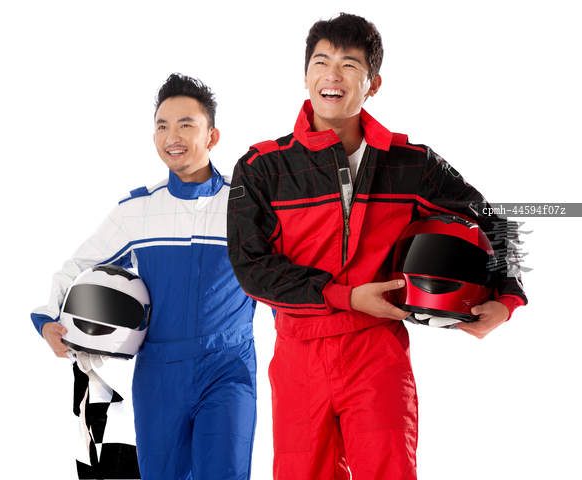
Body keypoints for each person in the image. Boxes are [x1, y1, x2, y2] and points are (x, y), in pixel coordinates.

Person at [226, 13, 527, 480]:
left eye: (349, 64)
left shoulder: (409, 163)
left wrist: (507, 297)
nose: (332, 75)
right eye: (321, 62)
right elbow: (250, 266)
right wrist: (344, 296)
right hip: (300, 355)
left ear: (373, 83)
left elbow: (492, 219)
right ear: (305, 75)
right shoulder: (263, 167)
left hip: (377, 352)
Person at [31, 73, 257, 480]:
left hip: (228, 369)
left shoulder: (246, 206)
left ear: (212, 136)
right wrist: (49, 319)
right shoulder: (137, 211)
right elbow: (77, 267)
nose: (172, 136)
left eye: (186, 125)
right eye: (162, 126)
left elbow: (280, 278)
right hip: (159, 377)